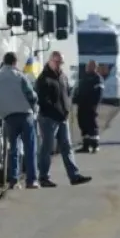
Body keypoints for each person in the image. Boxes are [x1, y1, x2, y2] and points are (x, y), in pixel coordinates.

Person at [35, 52, 92, 187]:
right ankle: (43, 177)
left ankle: (74, 176)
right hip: (49, 118)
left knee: (67, 147)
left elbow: (67, 94)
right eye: (56, 62)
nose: (59, 65)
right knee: (47, 148)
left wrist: (67, 109)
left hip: (62, 118)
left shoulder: (63, 77)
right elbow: (43, 100)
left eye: (60, 63)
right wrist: (55, 111)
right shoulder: (44, 79)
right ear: (50, 61)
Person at [0, 52, 39, 189]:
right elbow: (31, 95)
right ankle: (31, 180)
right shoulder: (19, 76)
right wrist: (34, 108)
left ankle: (14, 180)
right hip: (25, 115)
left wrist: (1, 111)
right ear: (15, 62)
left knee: (13, 149)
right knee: (30, 148)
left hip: (9, 117)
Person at [74, 60, 104, 153]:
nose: (88, 68)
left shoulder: (97, 78)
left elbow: (99, 93)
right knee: (82, 124)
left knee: (91, 124)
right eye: (88, 66)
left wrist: (95, 104)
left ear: (95, 68)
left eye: (91, 66)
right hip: (82, 105)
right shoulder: (84, 77)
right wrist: (75, 99)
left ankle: (95, 145)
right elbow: (78, 89)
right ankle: (85, 145)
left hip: (91, 105)